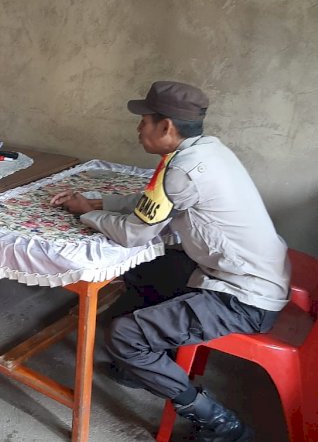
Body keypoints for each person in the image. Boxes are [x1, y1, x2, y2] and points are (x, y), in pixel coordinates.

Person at [50, 81, 289, 442]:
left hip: (244, 297)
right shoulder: (205, 152)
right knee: (142, 270)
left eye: (144, 121)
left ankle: (220, 423)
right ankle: (145, 363)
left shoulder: (181, 169)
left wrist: (86, 217)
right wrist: (97, 203)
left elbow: (135, 234)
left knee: (125, 336)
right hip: (243, 272)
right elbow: (152, 205)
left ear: (166, 127)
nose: (138, 128)